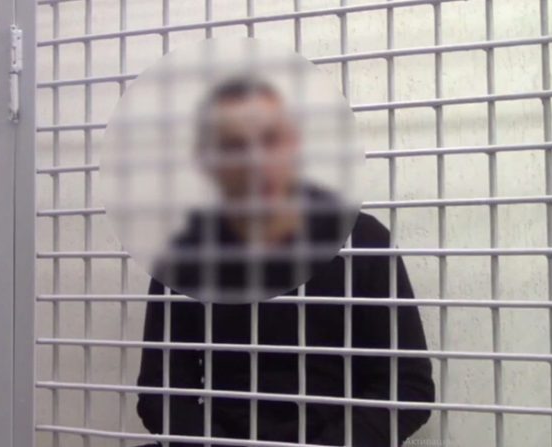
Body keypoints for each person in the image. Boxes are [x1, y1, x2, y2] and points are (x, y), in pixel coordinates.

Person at [136, 76, 434, 446]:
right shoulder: (185, 253)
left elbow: (408, 386)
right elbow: (160, 390)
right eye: (234, 146)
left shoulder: (362, 240)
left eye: (270, 139)